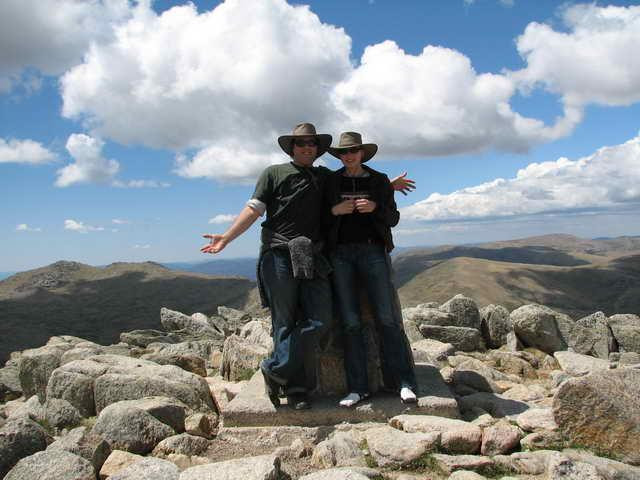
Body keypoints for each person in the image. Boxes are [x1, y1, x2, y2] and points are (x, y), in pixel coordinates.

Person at [201, 123, 414, 410]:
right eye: (301, 144)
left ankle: (275, 367)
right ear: (292, 147)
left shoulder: (324, 176)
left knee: (321, 319)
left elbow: (356, 181)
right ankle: (294, 388)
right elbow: (254, 208)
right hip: (278, 253)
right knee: (285, 321)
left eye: (312, 144)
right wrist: (227, 236)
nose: (307, 148)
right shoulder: (273, 173)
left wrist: (386, 187)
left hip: (313, 255)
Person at [324, 131, 417, 407]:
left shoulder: (378, 181)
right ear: (339, 156)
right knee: (350, 322)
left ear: (362, 153)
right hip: (340, 254)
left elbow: (393, 218)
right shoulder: (330, 182)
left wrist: (375, 206)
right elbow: (318, 216)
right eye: (344, 152)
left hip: (372, 251)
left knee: (386, 319)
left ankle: (404, 383)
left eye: (353, 151)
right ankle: (358, 388)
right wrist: (334, 211)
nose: (348, 156)